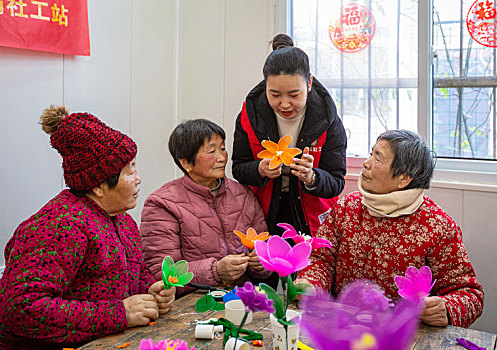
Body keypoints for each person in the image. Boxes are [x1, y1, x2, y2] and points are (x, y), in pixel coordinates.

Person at [0, 106, 175, 349]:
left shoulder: (122, 220)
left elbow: (132, 273)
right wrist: (118, 313)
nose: (138, 178)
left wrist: (151, 290)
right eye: (129, 171)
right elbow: (21, 309)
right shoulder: (59, 227)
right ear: (98, 186)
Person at [297, 129, 484, 328]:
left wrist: (446, 308)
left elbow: (470, 294)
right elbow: (321, 258)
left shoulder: (437, 226)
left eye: (377, 159)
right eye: (371, 154)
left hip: (403, 337)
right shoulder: (347, 208)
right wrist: (310, 283)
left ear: (404, 178)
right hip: (341, 329)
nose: (366, 163)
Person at [232, 34, 347, 238]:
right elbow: (239, 168)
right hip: (264, 213)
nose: (284, 104)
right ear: (265, 85)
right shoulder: (250, 116)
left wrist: (312, 177)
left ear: (309, 83)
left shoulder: (327, 120)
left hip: (310, 216)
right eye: (274, 95)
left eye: (294, 95)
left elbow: (336, 181)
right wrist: (259, 169)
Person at [141, 119, 271, 297]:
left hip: (242, 299)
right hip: (191, 304)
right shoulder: (162, 204)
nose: (221, 158)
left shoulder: (243, 194)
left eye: (223, 148)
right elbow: (162, 274)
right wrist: (215, 271)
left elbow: (265, 249)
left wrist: (261, 261)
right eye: (212, 151)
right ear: (186, 162)